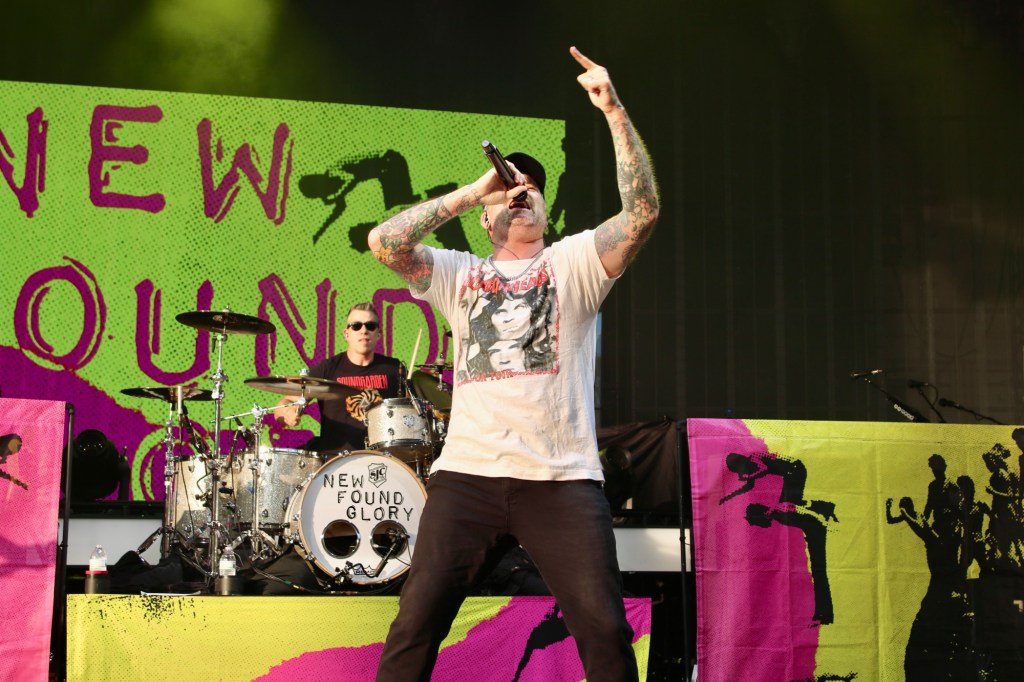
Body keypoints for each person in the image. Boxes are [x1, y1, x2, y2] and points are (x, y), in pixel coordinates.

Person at [367, 46, 659, 681]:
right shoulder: (458, 272)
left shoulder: (573, 262)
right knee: (414, 624)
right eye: (508, 190)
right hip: (467, 477)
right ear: (487, 215)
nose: (520, 193)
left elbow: (641, 213)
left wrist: (613, 111)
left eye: (532, 190)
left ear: (546, 210)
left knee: (605, 629)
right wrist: (476, 190)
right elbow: (384, 242)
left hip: (561, 480)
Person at [274, 302, 403, 454]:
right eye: (356, 326)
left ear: (378, 334)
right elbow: (284, 403)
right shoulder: (328, 369)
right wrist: (288, 412)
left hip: (382, 461)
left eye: (370, 326)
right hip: (336, 461)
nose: (364, 331)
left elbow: (415, 412)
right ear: (346, 334)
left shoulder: (394, 369)